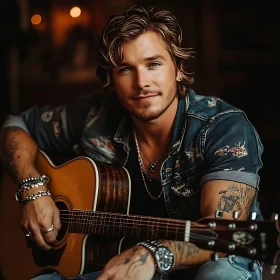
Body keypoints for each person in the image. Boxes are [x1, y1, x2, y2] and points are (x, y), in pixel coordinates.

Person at [0, 4, 264, 280]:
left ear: (178, 68)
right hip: (112, 262)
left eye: (154, 64)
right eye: (125, 69)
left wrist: (152, 254)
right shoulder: (94, 115)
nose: (141, 82)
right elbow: (14, 126)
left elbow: (221, 233)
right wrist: (33, 190)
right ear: (111, 81)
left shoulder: (224, 128)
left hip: (207, 260)